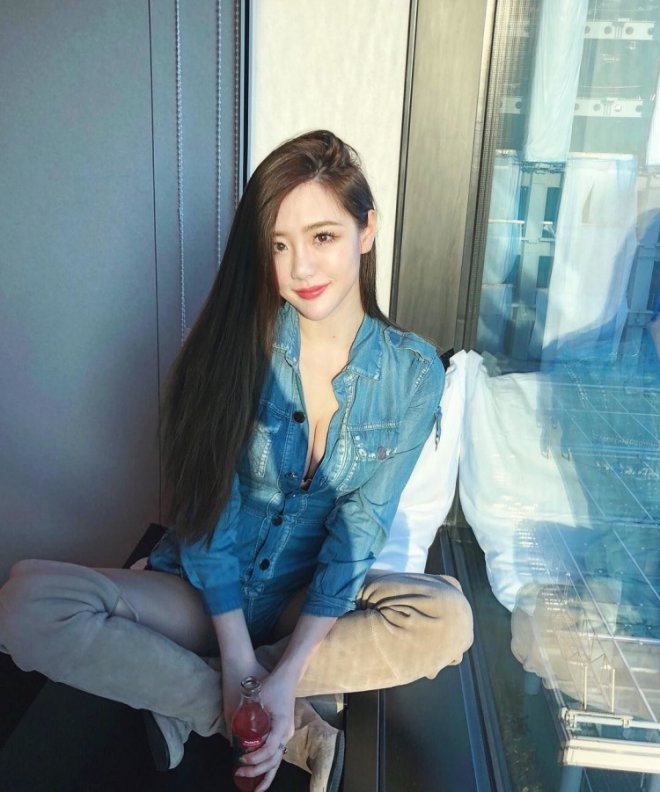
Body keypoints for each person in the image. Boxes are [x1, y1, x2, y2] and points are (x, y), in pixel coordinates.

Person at [0, 130, 473, 792]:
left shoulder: (413, 373)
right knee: (27, 601)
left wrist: (284, 669)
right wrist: (237, 663)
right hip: (201, 595)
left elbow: (360, 529)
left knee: (447, 619)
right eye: (279, 245)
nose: (300, 268)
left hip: (299, 605)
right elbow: (206, 516)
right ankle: (270, 720)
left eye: (322, 237)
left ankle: (200, 694)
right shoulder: (231, 346)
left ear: (366, 230)